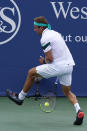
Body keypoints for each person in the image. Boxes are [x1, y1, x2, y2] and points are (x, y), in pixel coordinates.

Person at [7, 16, 84, 125]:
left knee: (31, 73)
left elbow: (50, 59)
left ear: (41, 28)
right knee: (67, 91)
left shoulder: (44, 38)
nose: (34, 30)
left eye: (35, 28)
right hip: (69, 66)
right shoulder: (55, 33)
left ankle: (20, 98)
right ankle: (79, 111)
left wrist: (44, 61)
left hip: (58, 66)